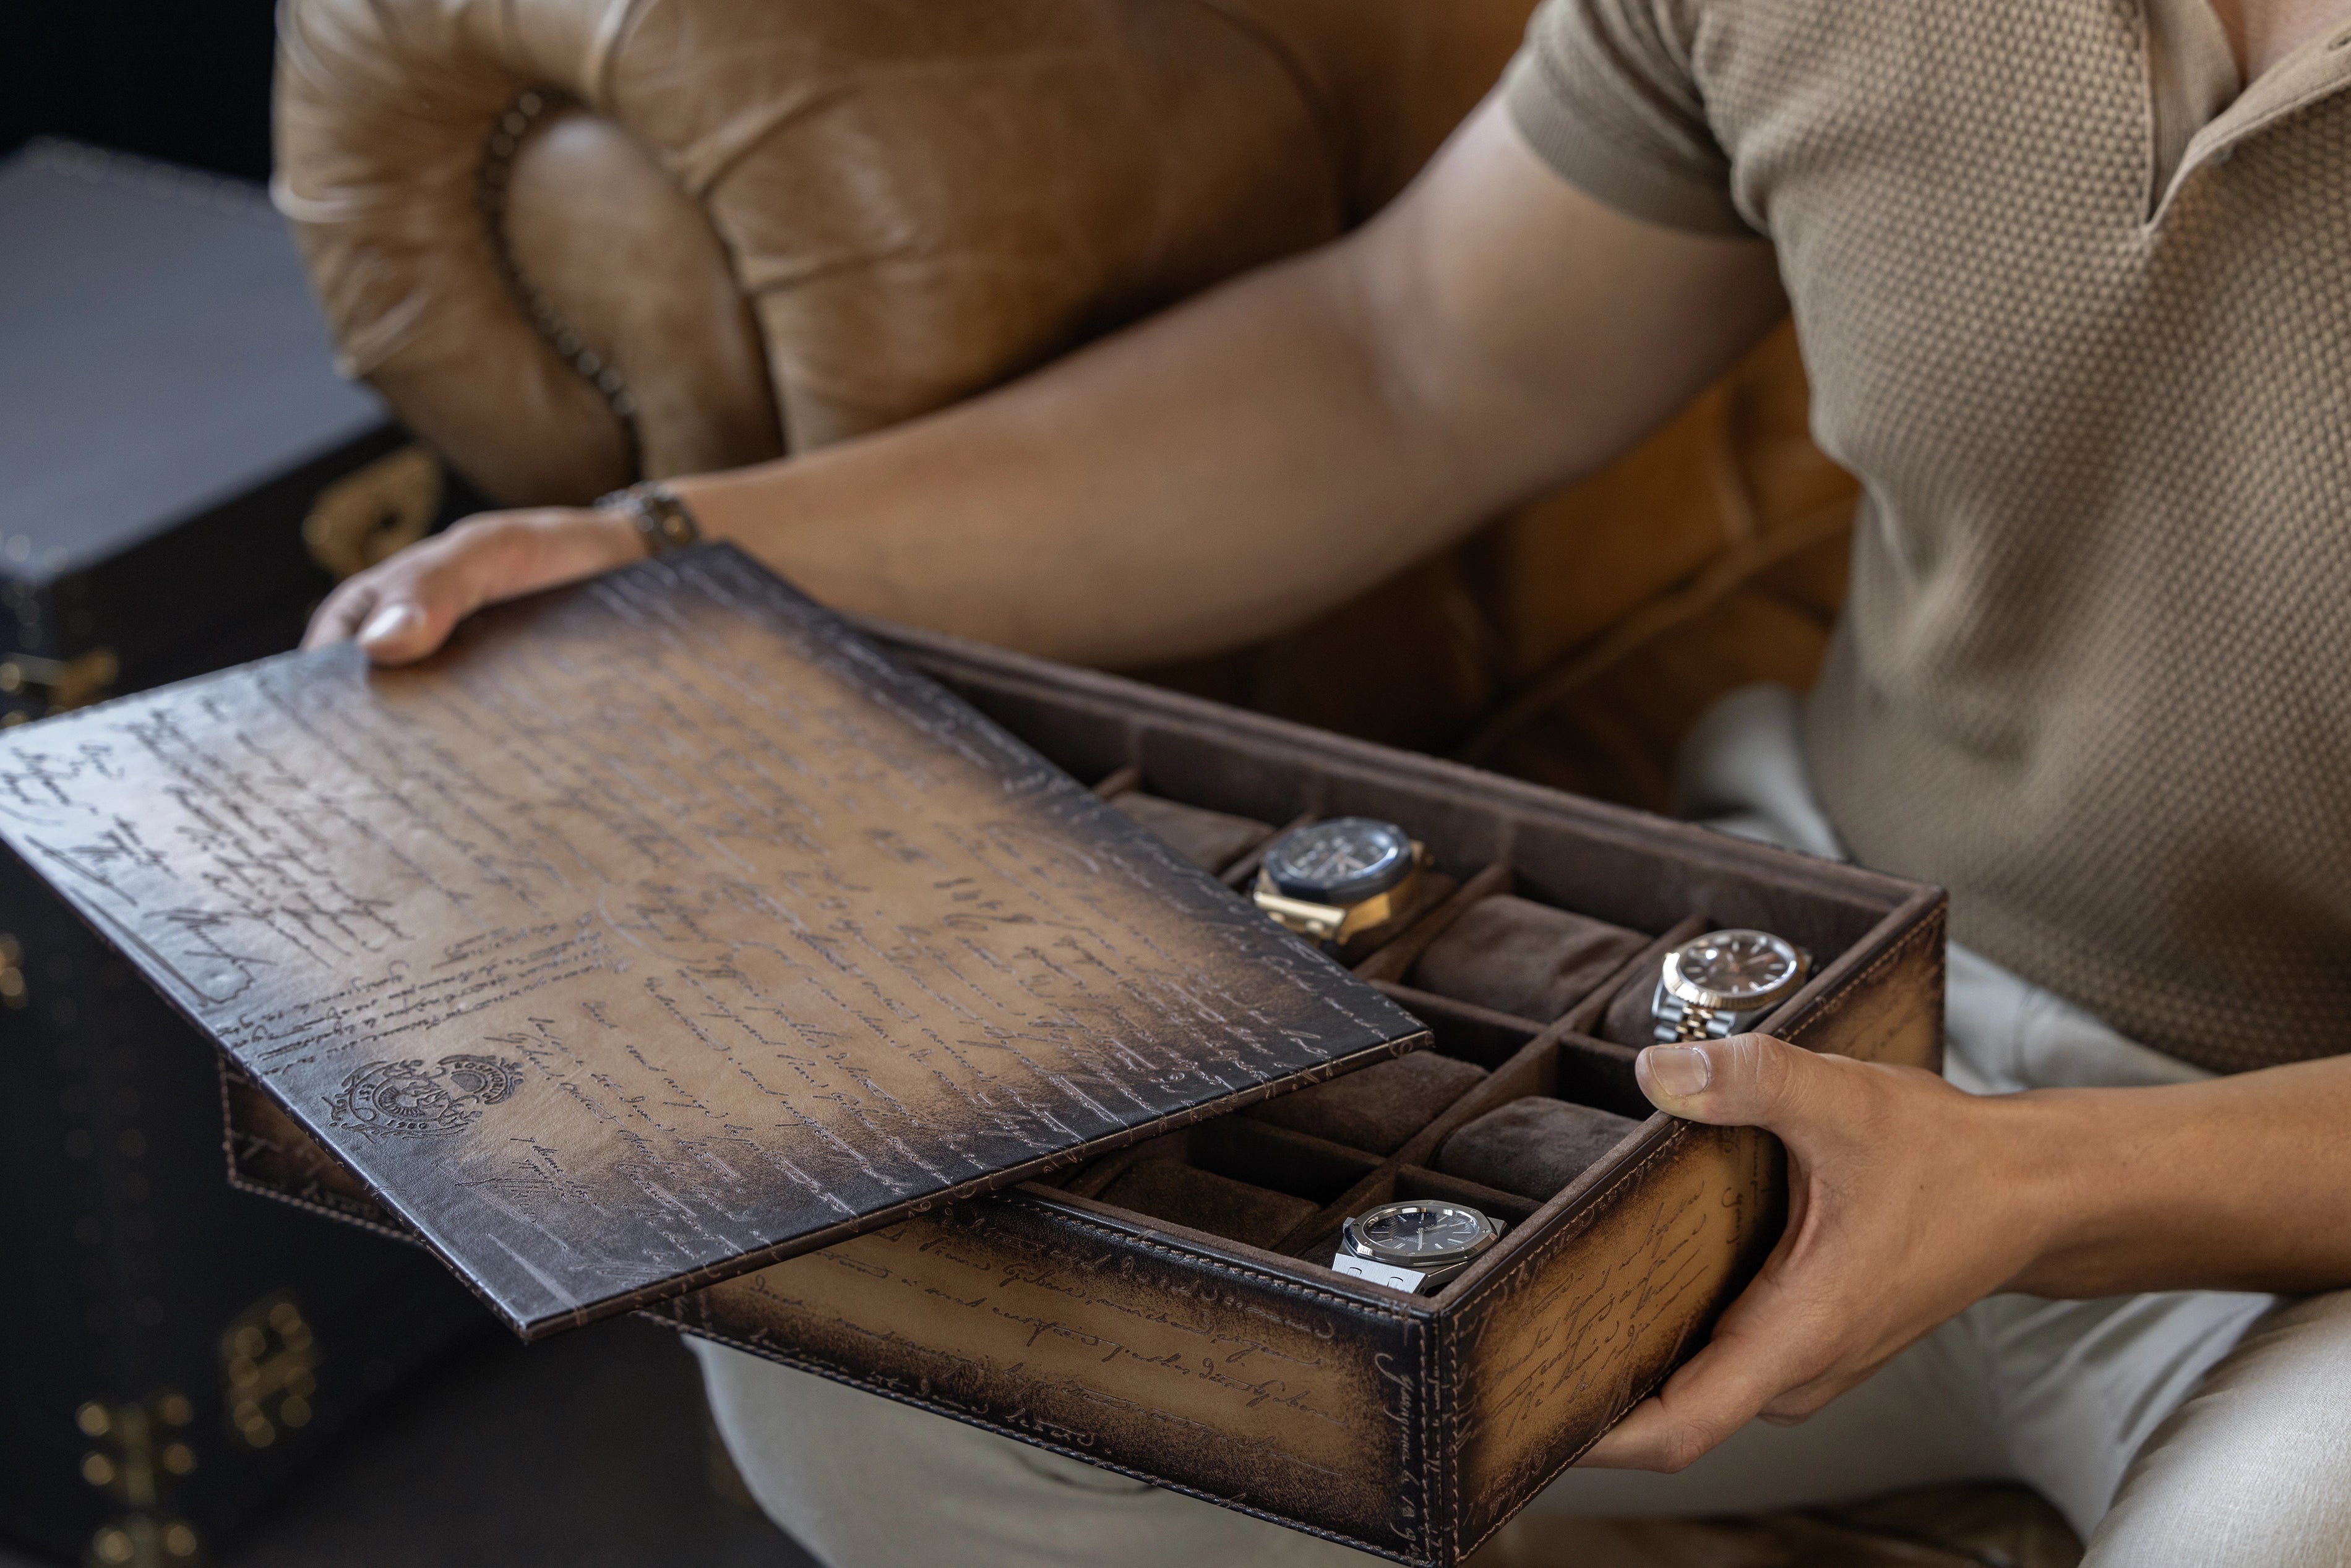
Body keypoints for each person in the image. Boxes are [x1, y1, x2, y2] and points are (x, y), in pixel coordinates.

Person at [304, 0, 2351, 1560]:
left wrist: (2039, 1192)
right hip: (1813, 982)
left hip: (2296, 1209)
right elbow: (1409, 356)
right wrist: (684, 551)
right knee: (877, 1381)